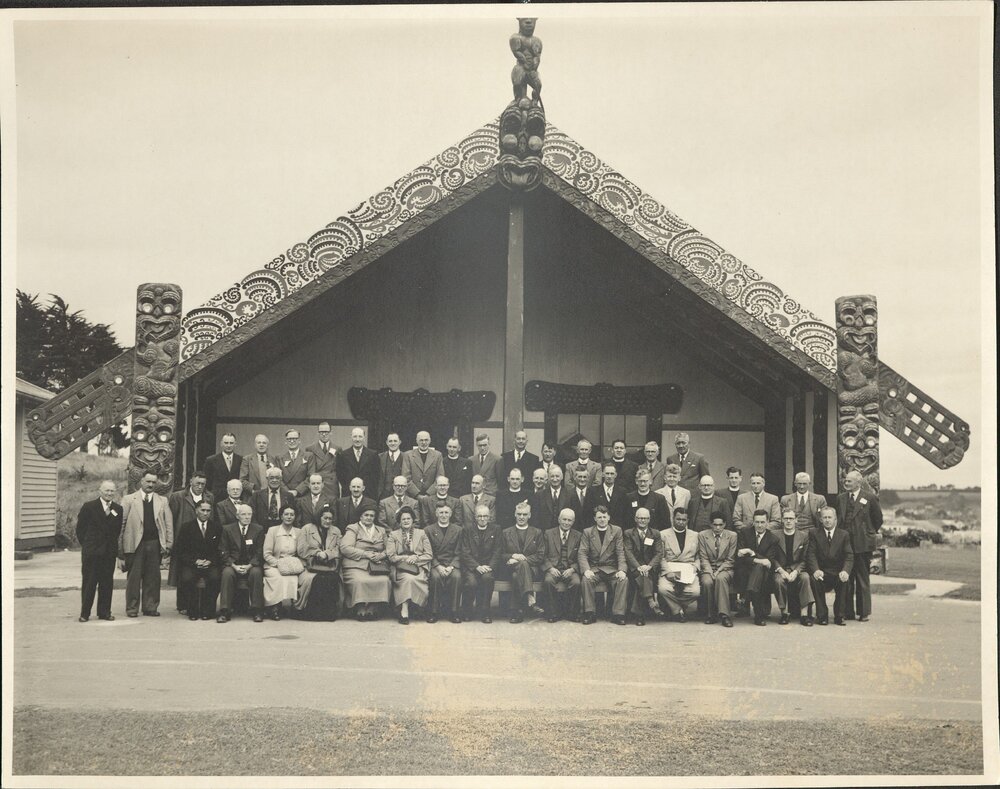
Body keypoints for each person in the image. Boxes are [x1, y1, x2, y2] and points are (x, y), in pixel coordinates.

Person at [118, 471, 173, 618]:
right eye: (148, 481)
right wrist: (120, 548)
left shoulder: (162, 500)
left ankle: (150, 607)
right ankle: (132, 608)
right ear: (141, 481)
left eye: (154, 482)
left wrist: (168, 544)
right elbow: (121, 524)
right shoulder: (129, 499)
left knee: (153, 577)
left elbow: (168, 524)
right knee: (134, 578)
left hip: (154, 543)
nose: (151, 485)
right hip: (135, 544)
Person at [837, 470, 883, 622]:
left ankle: (863, 612)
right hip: (845, 545)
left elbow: (878, 520)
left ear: (858, 482)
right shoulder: (841, 498)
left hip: (863, 545)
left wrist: (867, 532)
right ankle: (847, 611)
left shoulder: (869, 498)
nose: (846, 483)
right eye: (846, 480)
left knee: (862, 579)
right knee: (846, 578)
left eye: (849, 481)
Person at [167, 471, 214, 614]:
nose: (200, 486)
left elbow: (212, 516)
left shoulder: (209, 497)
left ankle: (199, 604)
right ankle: (182, 604)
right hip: (183, 538)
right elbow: (171, 519)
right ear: (191, 481)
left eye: (203, 484)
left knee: (201, 572)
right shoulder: (178, 496)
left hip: (202, 536)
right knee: (182, 572)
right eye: (197, 483)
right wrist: (172, 540)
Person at [75, 479, 122, 622]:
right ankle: (85, 613)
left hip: (109, 553)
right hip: (92, 553)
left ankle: (104, 612)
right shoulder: (89, 507)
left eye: (112, 491)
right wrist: (89, 545)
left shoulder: (118, 509)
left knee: (107, 583)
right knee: (89, 583)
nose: (109, 493)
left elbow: (117, 531)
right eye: (107, 490)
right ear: (100, 491)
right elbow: (80, 530)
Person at [339, 504, 392, 621]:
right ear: (360, 517)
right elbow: (345, 548)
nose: (369, 518)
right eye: (366, 515)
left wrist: (381, 555)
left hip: (376, 565)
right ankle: (360, 607)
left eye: (371, 516)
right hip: (356, 564)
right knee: (360, 581)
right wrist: (365, 554)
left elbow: (390, 549)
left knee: (384, 580)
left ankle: (374, 607)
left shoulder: (381, 530)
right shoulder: (353, 528)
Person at [173, 499, 222, 621]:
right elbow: (180, 550)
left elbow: (220, 549)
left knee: (215, 578)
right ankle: (193, 610)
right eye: (203, 510)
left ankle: (208, 611)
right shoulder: (186, 527)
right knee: (187, 578)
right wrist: (195, 561)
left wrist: (210, 561)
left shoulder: (216, 527)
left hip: (210, 563)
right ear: (196, 511)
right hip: (192, 564)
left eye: (208, 511)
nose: (205, 513)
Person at [578, 506, 628, 625]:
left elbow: (620, 552)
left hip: (611, 568)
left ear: (609, 517)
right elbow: (582, 552)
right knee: (586, 579)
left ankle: (618, 614)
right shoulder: (588, 532)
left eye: (604, 517)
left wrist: (622, 570)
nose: (602, 519)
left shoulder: (616, 530)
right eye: (599, 517)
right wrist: (586, 570)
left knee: (623, 580)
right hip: (594, 568)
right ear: (594, 518)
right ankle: (590, 613)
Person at [262, 504, 314, 620]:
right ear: (281, 516)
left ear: (295, 517)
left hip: (293, 566)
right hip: (274, 565)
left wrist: (294, 565)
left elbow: (302, 552)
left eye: (292, 514)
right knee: (279, 578)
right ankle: (275, 607)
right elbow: (266, 553)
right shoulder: (273, 531)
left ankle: (297, 607)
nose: (289, 517)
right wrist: (279, 564)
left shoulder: (299, 532)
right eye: (286, 514)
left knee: (303, 578)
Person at [217, 503, 266, 623]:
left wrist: (249, 565)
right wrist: (233, 565)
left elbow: (259, 551)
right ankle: (225, 611)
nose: (247, 517)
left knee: (256, 573)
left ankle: (257, 610)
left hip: (251, 564)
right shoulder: (227, 529)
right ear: (237, 516)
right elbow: (223, 550)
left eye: (249, 514)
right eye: (243, 514)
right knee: (227, 574)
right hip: (233, 564)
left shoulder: (258, 529)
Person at [498, 501, 545, 623]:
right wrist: (512, 556)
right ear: (515, 514)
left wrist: (523, 559)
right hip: (510, 568)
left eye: (524, 514)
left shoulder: (537, 532)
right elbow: (500, 554)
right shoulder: (506, 532)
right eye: (519, 514)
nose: (521, 517)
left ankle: (516, 611)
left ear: (529, 515)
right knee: (514, 574)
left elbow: (540, 555)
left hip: (532, 570)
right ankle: (529, 597)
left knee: (517, 574)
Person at [385, 506, 432, 625]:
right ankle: (404, 610)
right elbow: (391, 556)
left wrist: (416, 558)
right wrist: (405, 558)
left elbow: (429, 554)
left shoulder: (421, 533)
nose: (406, 521)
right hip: (401, 567)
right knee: (407, 579)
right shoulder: (393, 535)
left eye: (408, 518)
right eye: (403, 519)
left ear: (412, 520)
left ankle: (417, 607)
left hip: (418, 566)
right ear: (399, 521)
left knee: (416, 579)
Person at [807, 506, 854, 625]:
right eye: (825, 517)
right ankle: (822, 616)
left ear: (835, 519)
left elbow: (849, 556)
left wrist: (845, 571)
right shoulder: (814, 533)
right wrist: (816, 570)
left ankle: (839, 615)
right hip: (822, 571)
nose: (827, 520)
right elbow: (811, 554)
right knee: (814, 579)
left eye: (830, 517)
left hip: (838, 571)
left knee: (844, 581)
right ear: (821, 519)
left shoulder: (844, 534)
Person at [296, 509, 342, 621]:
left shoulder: (336, 531)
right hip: (310, 565)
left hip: (329, 565)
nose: (327, 521)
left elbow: (340, 549)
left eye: (330, 519)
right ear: (318, 517)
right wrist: (317, 553)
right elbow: (301, 549)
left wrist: (327, 554)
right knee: (314, 579)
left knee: (331, 579)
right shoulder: (306, 529)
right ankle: (312, 613)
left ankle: (328, 614)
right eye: (325, 518)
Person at [771, 509, 815, 626]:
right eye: (786, 518)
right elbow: (772, 557)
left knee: (805, 577)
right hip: (781, 568)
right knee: (778, 580)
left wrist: (796, 571)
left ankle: (804, 615)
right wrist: (780, 570)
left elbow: (805, 558)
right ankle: (784, 613)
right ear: (782, 520)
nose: (788, 521)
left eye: (791, 518)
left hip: (797, 568)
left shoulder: (804, 536)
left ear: (796, 520)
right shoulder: (775, 535)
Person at [735, 511, 780, 625]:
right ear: (753, 522)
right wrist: (758, 559)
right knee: (758, 568)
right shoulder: (745, 533)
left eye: (762, 522)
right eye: (757, 522)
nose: (760, 525)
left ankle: (747, 596)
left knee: (759, 569)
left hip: (765, 573)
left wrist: (750, 552)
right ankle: (758, 616)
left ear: (767, 523)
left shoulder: (773, 539)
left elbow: (769, 561)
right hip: (745, 570)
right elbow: (740, 556)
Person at [657, 509, 700, 621]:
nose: (681, 522)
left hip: (688, 569)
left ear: (688, 520)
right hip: (670, 568)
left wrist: (695, 567)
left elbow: (699, 556)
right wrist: (667, 571)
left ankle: (675, 606)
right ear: (673, 519)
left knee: (695, 592)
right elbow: (660, 556)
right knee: (663, 589)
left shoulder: (695, 535)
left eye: (683, 520)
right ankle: (677, 610)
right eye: (678, 519)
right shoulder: (663, 534)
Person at [460, 504, 501, 623]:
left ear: (489, 517)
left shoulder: (496, 529)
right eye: (480, 516)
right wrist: (476, 566)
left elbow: (497, 551)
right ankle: (467, 610)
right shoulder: (467, 530)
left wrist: (490, 567)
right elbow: (465, 552)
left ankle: (485, 612)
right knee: (471, 583)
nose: (482, 519)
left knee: (487, 579)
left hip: (488, 567)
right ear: (475, 517)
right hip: (471, 567)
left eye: (485, 516)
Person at [623, 507, 663, 625]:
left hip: (650, 568)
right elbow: (628, 552)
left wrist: (649, 566)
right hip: (634, 568)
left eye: (645, 518)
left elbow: (659, 553)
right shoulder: (628, 533)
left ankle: (637, 614)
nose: (642, 520)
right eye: (640, 518)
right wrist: (639, 567)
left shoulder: (655, 533)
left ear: (649, 519)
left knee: (643, 578)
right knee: (642, 577)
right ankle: (650, 601)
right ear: (635, 519)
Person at [425, 502, 463, 623]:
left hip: (452, 564)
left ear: (451, 514)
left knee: (457, 577)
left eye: (446, 512)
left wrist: (451, 567)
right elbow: (428, 552)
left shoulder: (458, 530)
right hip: (436, 564)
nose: (444, 515)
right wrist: (437, 566)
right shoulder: (428, 530)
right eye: (441, 512)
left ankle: (454, 612)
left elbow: (460, 551)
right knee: (435, 578)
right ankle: (434, 612)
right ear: (436, 514)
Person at [541, 508, 582, 622]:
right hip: (553, 568)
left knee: (576, 582)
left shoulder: (578, 535)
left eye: (569, 520)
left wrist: (573, 569)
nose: (566, 522)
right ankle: (553, 613)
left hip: (570, 569)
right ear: (559, 519)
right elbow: (542, 555)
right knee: (548, 581)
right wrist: (550, 568)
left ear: (573, 522)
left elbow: (582, 556)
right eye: (564, 519)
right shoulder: (548, 534)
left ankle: (571, 613)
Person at [697, 513, 737, 627]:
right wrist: (710, 572)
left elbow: (730, 559)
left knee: (720, 579)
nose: (718, 528)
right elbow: (703, 557)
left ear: (724, 524)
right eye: (715, 525)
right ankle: (710, 614)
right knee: (707, 581)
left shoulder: (732, 536)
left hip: (725, 568)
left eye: (720, 525)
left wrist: (718, 571)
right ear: (710, 524)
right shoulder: (703, 535)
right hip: (708, 568)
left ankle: (725, 615)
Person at [336, 427, 380, 499]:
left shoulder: (373, 455)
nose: (357, 439)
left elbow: (375, 476)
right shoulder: (343, 455)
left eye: (360, 436)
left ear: (364, 438)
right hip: (348, 494)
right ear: (351, 437)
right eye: (355, 436)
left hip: (368, 494)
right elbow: (340, 475)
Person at [584, 463, 630, 530]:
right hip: (597, 529)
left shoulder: (622, 492)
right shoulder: (592, 491)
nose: (609, 476)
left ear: (615, 475)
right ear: (603, 474)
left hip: (617, 531)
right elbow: (588, 513)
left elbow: (626, 514)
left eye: (612, 474)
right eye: (607, 473)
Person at [402, 431, 446, 498]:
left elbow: (440, 477)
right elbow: (406, 478)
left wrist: (429, 494)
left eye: (426, 440)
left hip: (431, 497)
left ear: (430, 441)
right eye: (421, 440)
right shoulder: (408, 455)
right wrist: (417, 494)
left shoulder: (437, 455)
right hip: (412, 496)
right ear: (416, 441)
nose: (424, 443)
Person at [252, 467, 297, 531]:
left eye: (277, 478)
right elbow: (252, 515)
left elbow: (294, 515)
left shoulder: (289, 496)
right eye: (271, 478)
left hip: (283, 529)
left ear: (281, 479)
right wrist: (258, 530)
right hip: (262, 530)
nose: (274, 480)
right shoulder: (257, 495)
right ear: (267, 479)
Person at [203, 433, 242, 504]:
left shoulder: (241, 460)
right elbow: (207, 482)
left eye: (231, 443)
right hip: (217, 499)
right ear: (221, 444)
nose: (229, 445)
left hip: (236, 498)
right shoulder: (211, 460)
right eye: (226, 443)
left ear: (235, 444)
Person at [533, 465, 573, 532]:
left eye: (557, 476)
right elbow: (536, 517)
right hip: (544, 533)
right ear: (548, 478)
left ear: (562, 477)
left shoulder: (569, 495)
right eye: (552, 476)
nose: (555, 479)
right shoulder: (540, 495)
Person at [305, 422, 339, 495]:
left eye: (326, 432)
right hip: (317, 484)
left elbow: (339, 470)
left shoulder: (337, 448)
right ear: (318, 433)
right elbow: (309, 470)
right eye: (321, 432)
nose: (324, 434)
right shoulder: (310, 448)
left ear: (331, 433)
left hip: (331, 486)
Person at [277, 428, 313, 497]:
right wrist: (287, 492)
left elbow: (310, 477)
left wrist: (297, 491)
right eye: (289, 439)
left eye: (295, 439)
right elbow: (278, 478)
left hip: (303, 494)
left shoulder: (308, 456)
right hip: (285, 495)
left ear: (299, 441)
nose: (292, 441)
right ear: (286, 441)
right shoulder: (279, 458)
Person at [654, 463, 690, 527]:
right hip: (663, 528)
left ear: (679, 478)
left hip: (680, 527)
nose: (672, 479)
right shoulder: (657, 493)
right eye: (669, 476)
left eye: (675, 477)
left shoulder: (686, 493)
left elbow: (687, 512)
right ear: (665, 478)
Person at [377, 432, 404, 500]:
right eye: (390, 441)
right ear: (386, 442)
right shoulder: (380, 457)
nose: (393, 443)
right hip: (383, 495)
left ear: (400, 442)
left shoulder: (406, 457)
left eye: (395, 441)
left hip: (401, 494)